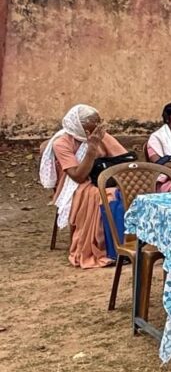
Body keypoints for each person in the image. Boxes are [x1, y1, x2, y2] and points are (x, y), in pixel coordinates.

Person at [39, 104, 129, 269]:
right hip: (74, 185)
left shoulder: (101, 135)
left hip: (103, 178)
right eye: (96, 122)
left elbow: (125, 159)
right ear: (81, 126)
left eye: (100, 121)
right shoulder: (62, 143)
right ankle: (108, 249)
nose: (100, 126)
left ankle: (129, 245)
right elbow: (78, 176)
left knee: (127, 191)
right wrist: (92, 148)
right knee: (109, 196)